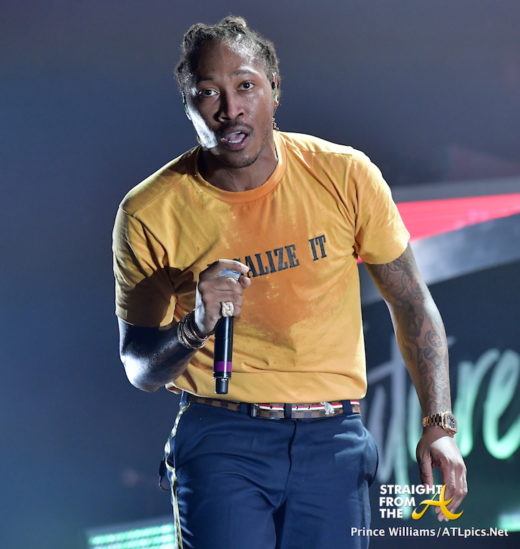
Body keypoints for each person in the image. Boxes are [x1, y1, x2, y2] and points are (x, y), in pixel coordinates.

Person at [112, 16, 467, 549]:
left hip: (334, 439)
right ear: (188, 105)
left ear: (274, 89)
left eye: (245, 86)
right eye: (207, 92)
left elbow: (411, 301)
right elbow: (140, 369)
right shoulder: (149, 210)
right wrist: (195, 325)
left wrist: (438, 424)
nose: (230, 109)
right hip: (221, 437)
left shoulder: (344, 174)